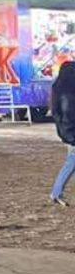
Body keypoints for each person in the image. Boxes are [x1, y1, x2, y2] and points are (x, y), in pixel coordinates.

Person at [49, 61, 75, 207]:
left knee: (71, 163)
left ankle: (57, 192)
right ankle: (56, 192)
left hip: (67, 133)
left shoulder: (58, 89)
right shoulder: (70, 94)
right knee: (71, 163)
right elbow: (70, 116)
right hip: (72, 133)